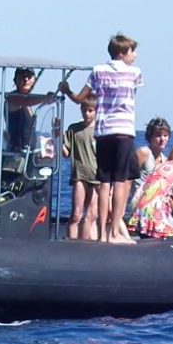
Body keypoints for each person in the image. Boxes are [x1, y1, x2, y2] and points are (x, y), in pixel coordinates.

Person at [59, 33, 144, 243]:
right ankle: (114, 232)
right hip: (123, 130)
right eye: (132, 51)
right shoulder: (135, 72)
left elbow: (80, 98)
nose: (135, 55)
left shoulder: (98, 71)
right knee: (120, 181)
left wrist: (67, 90)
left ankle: (104, 235)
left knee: (104, 182)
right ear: (122, 52)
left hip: (103, 131)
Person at [128, 144, 173, 238]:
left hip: (140, 207)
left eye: (165, 136)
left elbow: (171, 197)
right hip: (151, 208)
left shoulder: (163, 164)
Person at [62, 98, 99, 240]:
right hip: (80, 176)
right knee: (76, 214)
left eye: (90, 111)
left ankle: (89, 244)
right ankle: (72, 243)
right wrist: (58, 137)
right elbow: (66, 153)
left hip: (97, 177)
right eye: (84, 110)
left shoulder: (101, 130)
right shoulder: (74, 129)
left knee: (92, 215)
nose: (87, 114)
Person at [4, 67, 57, 151]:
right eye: (22, 76)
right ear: (15, 80)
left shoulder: (31, 101)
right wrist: (44, 98)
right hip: (16, 152)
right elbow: (25, 101)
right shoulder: (12, 97)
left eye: (29, 77)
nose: (26, 80)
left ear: (34, 80)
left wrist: (50, 99)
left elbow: (29, 101)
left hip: (30, 153)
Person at [130, 117, 171, 214]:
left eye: (165, 135)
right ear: (150, 137)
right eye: (158, 135)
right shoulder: (143, 153)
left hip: (156, 206)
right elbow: (127, 179)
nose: (162, 139)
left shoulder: (165, 160)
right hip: (140, 206)